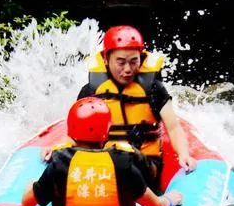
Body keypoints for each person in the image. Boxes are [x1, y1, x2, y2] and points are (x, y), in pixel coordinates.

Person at [77, 25, 198, 192]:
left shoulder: (153, 89)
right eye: (121, 62)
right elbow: (76, 132)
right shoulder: (91, 91)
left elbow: (174, 127)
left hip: (145, 165)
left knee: (124, 158)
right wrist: (58, 151)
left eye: (134, 61)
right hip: (103, 164)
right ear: (106, 59)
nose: (128, 69)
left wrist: (184, 154)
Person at [22, 97, 182, 206]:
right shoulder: (123, 163)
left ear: (71, 131)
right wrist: (170, 199)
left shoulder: (59, 163)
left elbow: (26, 203)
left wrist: (31, 185)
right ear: (106, 132)